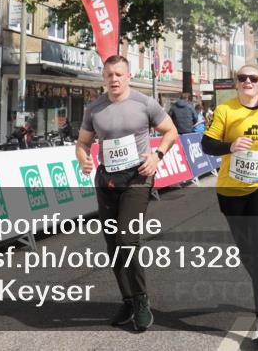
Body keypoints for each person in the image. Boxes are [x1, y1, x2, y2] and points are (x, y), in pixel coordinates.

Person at [75, 55, 178, 332]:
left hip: (137, 177)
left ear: (128, 76)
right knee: (113, 245)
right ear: (103, 78)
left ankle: (141, 300)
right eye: (109, 75)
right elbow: (82, 143)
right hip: (107, 180)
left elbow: (170, 131)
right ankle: (128, 300)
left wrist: (157, 155)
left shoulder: (145, 103)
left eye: (119, 74)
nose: (114, 79)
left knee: (127, 239)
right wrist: (83, 158)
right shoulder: (94, 108)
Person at [201, 65, 258, 349]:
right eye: (242, 78)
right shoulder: (225, 111)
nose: (248, 81)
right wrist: (230, 146)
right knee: (247, 253)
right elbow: (206, 144)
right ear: (236, 84)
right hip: (231, 191)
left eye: (253, 78)